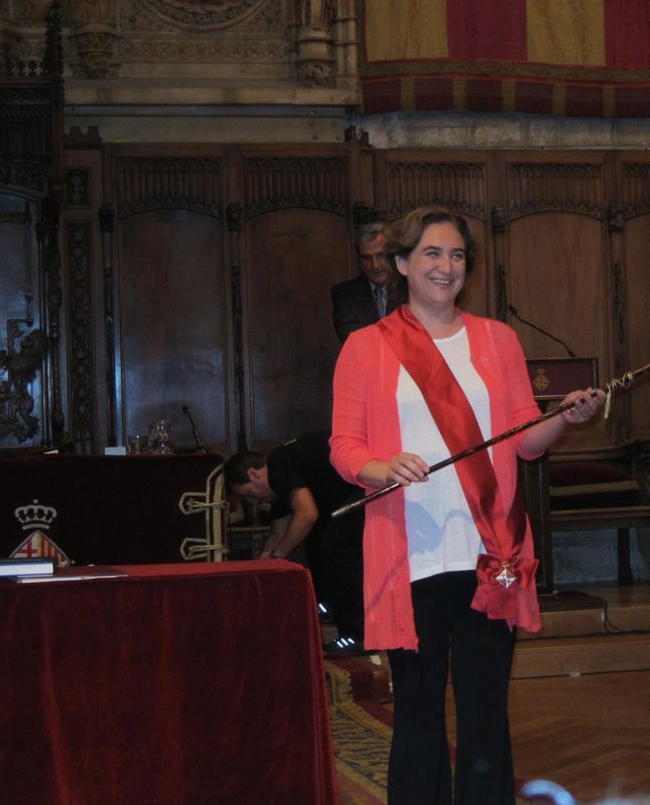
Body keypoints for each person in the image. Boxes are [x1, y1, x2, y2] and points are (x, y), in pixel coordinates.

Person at [329, 207, 603, 804]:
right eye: (431, 253)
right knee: (418, 709)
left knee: (485, 710)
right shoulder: (365, 346)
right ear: (402, 264)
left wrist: (563, 418)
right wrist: (382, 468)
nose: (445, 266)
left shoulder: (497, 340)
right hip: (410, 556)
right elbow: (344, 446)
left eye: (456, 255)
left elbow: (524, 439)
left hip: (489, 550)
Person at [225, 430, 365, 651]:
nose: (254, 503)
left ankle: (358, 636)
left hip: (362, 485)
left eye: (249, 495)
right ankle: (327, 605)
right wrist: (259, 570)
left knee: (335, 549)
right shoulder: (280, 488)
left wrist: (278, 555)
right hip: (347, 492)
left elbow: (307, 514)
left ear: (253, 474)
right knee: (312, 540)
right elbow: (277, 535)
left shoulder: (278, 465)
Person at [331, 222, 391, 344]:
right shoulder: (344, 294)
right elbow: (352, 340)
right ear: (359, 260)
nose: (375, 265)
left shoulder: (408, 288)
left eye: (380, 255)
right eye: (367, 258)